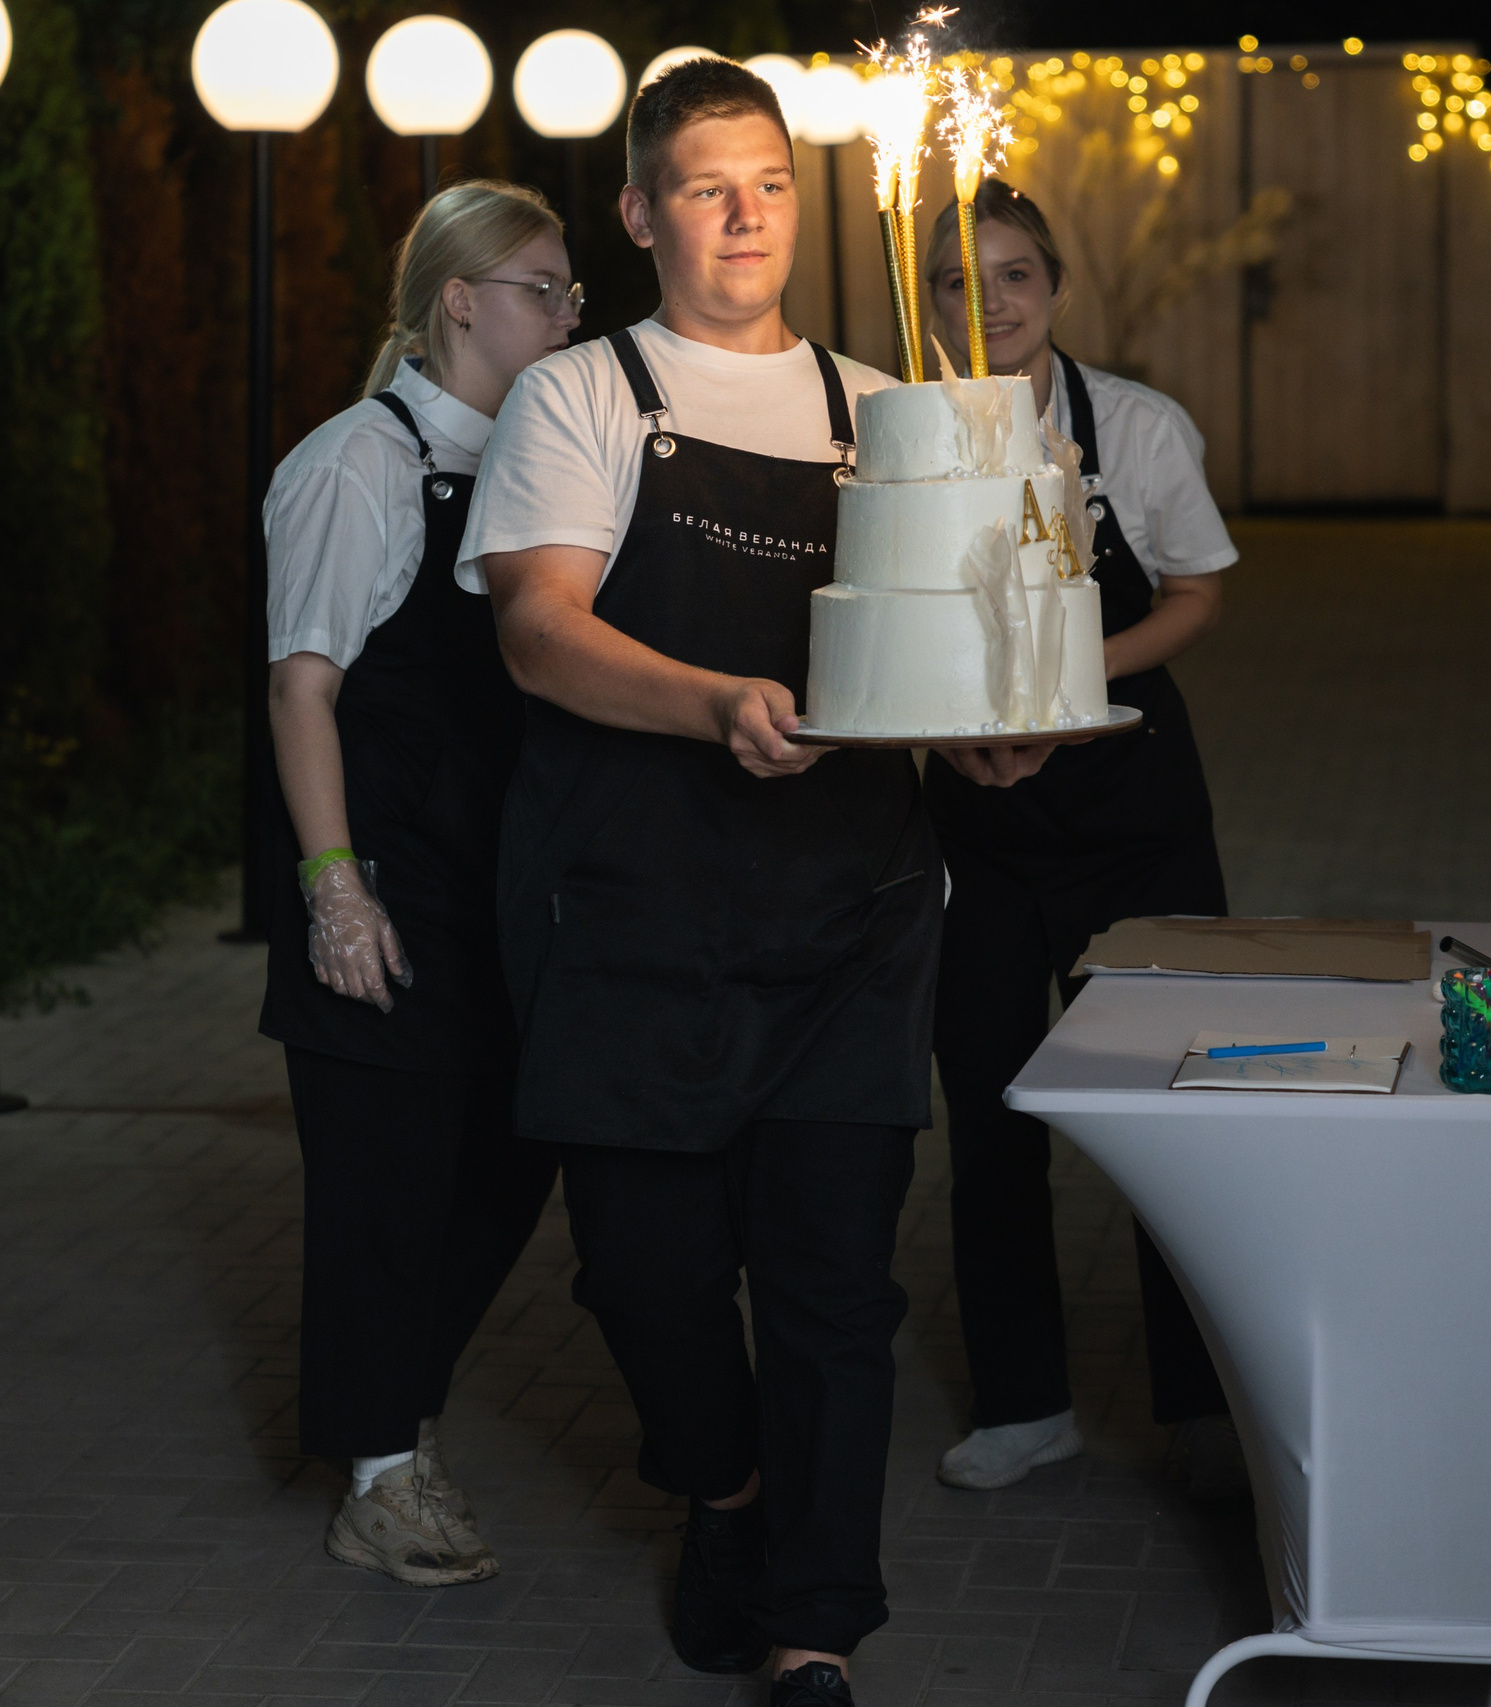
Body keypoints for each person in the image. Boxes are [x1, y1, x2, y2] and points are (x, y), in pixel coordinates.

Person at [460, 59, 1052, 1707]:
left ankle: (815, 1624)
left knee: (832, 1289)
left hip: (850, 913)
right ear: (642, 212)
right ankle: (721, 1491)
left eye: (771, 184)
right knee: (639, 1275)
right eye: (708, 186)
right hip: (632, 912)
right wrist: (714, 703)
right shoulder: (580, 399)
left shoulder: (882, 411)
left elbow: (945, 653)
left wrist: (984, 741)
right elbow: (537, 630)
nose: (745, 215)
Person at [258, 181, 575, 1587]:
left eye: (573, 293)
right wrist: (335, 889)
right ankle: (381, 1473)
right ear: (458, 300)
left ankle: (377, 1411)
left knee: (512, 1161)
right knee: (386, 1192)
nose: (568, 315)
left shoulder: (536, 468)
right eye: (541, 288)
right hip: (384, 885)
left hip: (494, 893)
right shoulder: (355, 461)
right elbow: (300, 685)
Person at [919, 181, 1244, 1495]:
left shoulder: (1140, 426)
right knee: (993, 1116)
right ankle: (1022, 1402)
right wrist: (960, 731)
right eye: (958, 279)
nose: (989, 302)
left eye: (1014, 276)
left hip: (1132, 812)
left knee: (1176, 1113)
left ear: (1055, 288)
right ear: (926, 297)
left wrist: (1068, 686)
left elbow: (1196, 594)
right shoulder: (895, 432)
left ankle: (1206, 1404)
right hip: (978, 821)